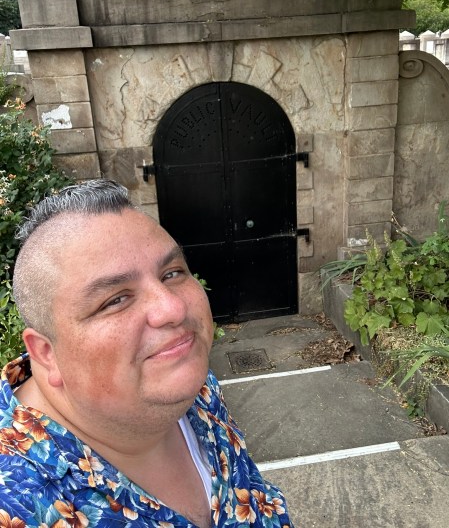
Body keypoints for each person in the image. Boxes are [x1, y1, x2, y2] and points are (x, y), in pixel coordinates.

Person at [0, 179, 293, 528]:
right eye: (116, 299)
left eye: (172, 273)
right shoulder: (16, 503)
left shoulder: (191, 382)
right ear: (46, 353)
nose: (172, 308)